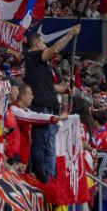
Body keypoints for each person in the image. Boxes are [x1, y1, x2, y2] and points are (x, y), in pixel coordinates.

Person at [23, 25, 80, 183]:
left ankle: (51, 179)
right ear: (36, 45)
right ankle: (43, 178)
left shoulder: (41, 66)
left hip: (50, 109)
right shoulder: (33, 56)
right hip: (41, 108)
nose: (45, 46)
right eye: (43, 43)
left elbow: (50, 85)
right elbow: (55, 50)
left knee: (50, 147)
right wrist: (70, 34)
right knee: (42, 146)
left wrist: (65, 90)